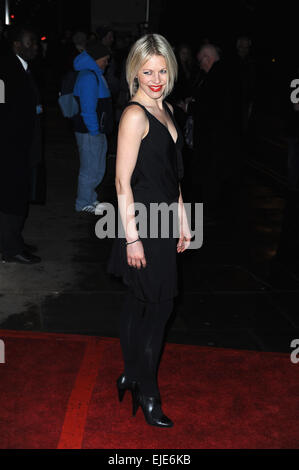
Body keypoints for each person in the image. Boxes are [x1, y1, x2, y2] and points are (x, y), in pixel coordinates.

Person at [107, 33, 191, 427]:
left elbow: (172, 175)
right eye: (147, 72)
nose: (155, 79)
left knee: (141, 303)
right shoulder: (135, 114)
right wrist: (132, 238)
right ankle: (148, 392)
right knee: (159, 308)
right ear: (134, 72)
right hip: (141, 222)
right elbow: (122, 182)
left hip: (165, 219)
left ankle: (128, 372)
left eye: (161, 70)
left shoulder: (167, 108)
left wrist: (185, 218)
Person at [0, 26, 42, 264]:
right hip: (10, 148)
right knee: (12, 198)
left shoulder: (22, 68)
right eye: (30, 42)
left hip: (22, 146)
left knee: (19, 196)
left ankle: (12, 240)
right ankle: (10, 249)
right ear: (17, 45)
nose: (35, 46)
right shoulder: (5, 70)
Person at [192, 44, 241, 224]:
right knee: (217, 173)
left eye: (201, 61)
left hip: (215, 136)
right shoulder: (227, 73)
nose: (200, 65)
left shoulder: (217, 77)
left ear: (207, 58)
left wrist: (191, 106)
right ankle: (213, 208)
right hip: (222, 135)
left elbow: (209, 107)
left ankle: (209, 211)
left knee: (212, 173)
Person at [72, 40, 113, 214]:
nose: (107, 62)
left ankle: (90, 198)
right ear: (96, 59)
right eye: (105, 59)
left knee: (97, 167)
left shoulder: (95, 74)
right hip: (90, 132)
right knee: (89, 168)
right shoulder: (89, 77)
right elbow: (88, 109)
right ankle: (82, 203)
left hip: (96, 130)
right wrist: (94, 131)